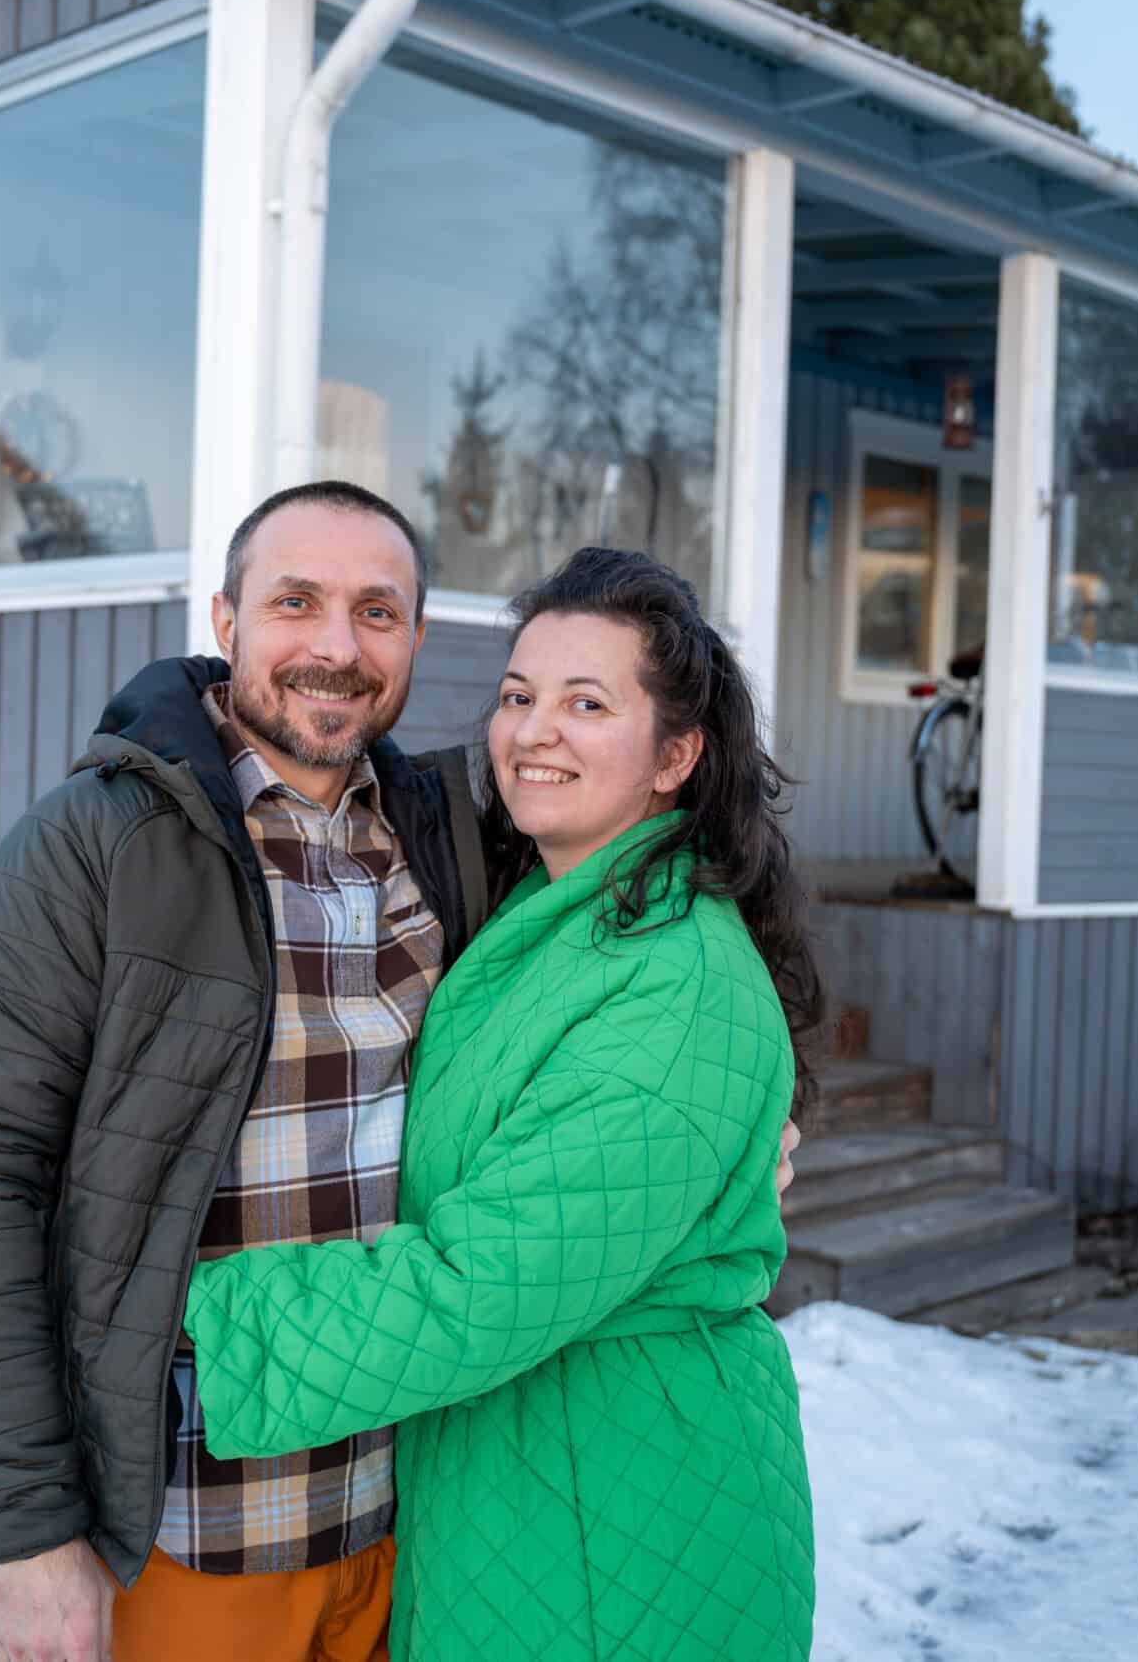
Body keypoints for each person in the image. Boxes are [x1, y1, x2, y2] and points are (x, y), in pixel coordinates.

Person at [181, 547, 822, 1662]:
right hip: (528, 1476)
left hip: (619, 1517)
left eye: (587, 702)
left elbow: (483, 1282)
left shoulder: (674, 981)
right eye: (519, 696)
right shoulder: (552, 913)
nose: (534, 732)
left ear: (676, 755)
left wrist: (187, 1316)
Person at [0, 480, 481, 1662]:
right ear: (225, 620)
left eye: (377, 612)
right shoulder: (95, 842)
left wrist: (753, 1099)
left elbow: (667, 867)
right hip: (189, 1532)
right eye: (296, 602)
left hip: (416, 1513)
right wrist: (28, 1530)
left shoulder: (452, 835)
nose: (335, 645)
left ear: (417, 638)